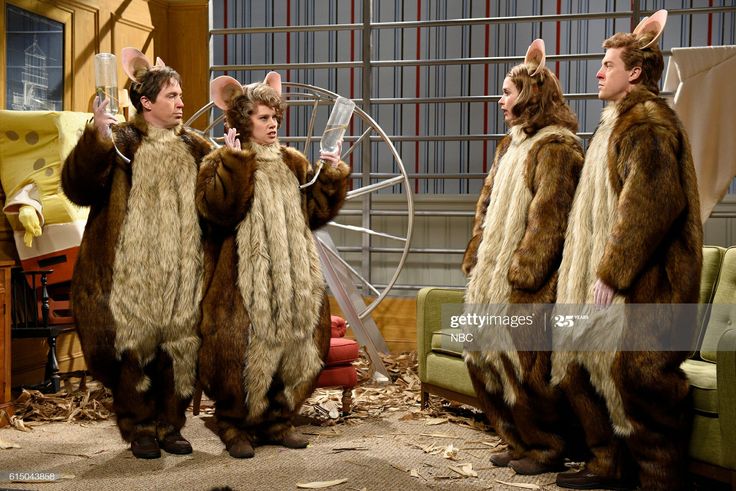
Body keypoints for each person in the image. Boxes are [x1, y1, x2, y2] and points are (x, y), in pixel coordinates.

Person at [552, 10, 703, 490]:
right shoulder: (615, 123)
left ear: (634, 72)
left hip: (649, 286)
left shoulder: (649, 124)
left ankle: (660, 480)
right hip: (614, 283)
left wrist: (612, 272)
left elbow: (651, 205)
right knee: (582, 371)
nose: (598, 71)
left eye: (608, 64)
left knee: (641, 381)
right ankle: (607, 465)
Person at [62, 48, 213, 459]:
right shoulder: (120, 142)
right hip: (128, 269)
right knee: (133, 346)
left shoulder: (197, 148)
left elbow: (219, 204)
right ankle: (140, 426)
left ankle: (170, 424)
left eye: (181, 95)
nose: (182, 103)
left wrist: (231, 162)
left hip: (183, 267)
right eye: (172, 96)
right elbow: (78, 189)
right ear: (146, 102)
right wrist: (96, 138)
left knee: (179, 344)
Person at [196, 72, 350, 458]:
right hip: (241, 280)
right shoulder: (219, 160)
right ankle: (234, 425)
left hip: (293, 275)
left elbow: (315, 212)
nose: (272, 125)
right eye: (264, 118)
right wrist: (233, 164)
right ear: (244, 120)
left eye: (275, 118)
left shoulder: (291, 162)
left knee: (294, 347)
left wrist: (330, 174)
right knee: (240, 350)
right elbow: (216, 214)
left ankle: (278, 421)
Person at [461, 39, 584, 475]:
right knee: (482, 356)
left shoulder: (557, 147)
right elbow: (488, 203)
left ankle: (545, 447)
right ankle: (514, 439)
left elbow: (550, 219)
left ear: (530, 95)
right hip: (491, 275)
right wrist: (478, 252)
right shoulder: (510, 145)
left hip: (527, 279)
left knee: (525, 366)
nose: (500, 99)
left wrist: (525, 273)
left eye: (508, 92)